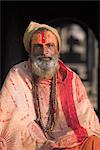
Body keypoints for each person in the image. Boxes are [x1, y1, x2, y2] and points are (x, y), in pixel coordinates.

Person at [0, 21, 100, 150]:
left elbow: (87, 123)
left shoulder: (71, 79)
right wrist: (43, 142)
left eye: (49, 45)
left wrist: (63, 141)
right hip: (32, 143)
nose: (44, 52)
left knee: (94, 143)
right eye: (38, 46)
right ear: (29, 51)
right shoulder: (18, 74)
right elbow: (11, 121)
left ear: (57, 50)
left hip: (69, 143)